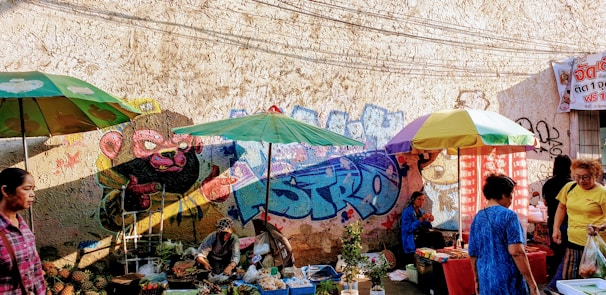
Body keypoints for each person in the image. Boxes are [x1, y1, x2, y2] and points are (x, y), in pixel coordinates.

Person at [468, 174, 539, 295]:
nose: (511, 200)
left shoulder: (478, 217)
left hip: (486, 279)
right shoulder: (509, 216)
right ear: (502, 194)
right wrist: (532, 284)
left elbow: (473, 254)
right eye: (510, 196)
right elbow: (517, 252)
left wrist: (476, 280)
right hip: (508, 281)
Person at [548, 159, 606, 294]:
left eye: (585, 177)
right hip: (573, 242)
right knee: (567, 279)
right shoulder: (570, 187)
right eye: (577, 177)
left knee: (592, 281)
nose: (581, 181)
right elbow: (561, 207)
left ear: (595, 175)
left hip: (595, 246)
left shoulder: (602, 193)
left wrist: (600, 226)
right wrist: (556, 229)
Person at [0, 168, 45, 295]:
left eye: (33, 189)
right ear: (6, 191)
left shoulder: (24, 228)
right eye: (27, 189)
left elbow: (36, 270)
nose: (32, 194)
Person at [541, 155, 572, 280]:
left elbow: (545, 202)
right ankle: (561, 280)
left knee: (557, 253)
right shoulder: (571, 185)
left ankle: (554, 278)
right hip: (570, 223)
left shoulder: (548, 183)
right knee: (569, 255)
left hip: (553, 223)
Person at [400, 191, 445, 266]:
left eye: (423, 200)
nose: (421, 202)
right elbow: (408, 229)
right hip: (413, 239)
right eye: (419, 199)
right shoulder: (407, 212)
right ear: (413, 200)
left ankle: (441, 257)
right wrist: (420, 220)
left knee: (437, 235)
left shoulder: (421, 211)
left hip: (421, 236)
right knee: (437, 235)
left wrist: (429, 221)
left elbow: (426, 226)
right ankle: (441, 257)